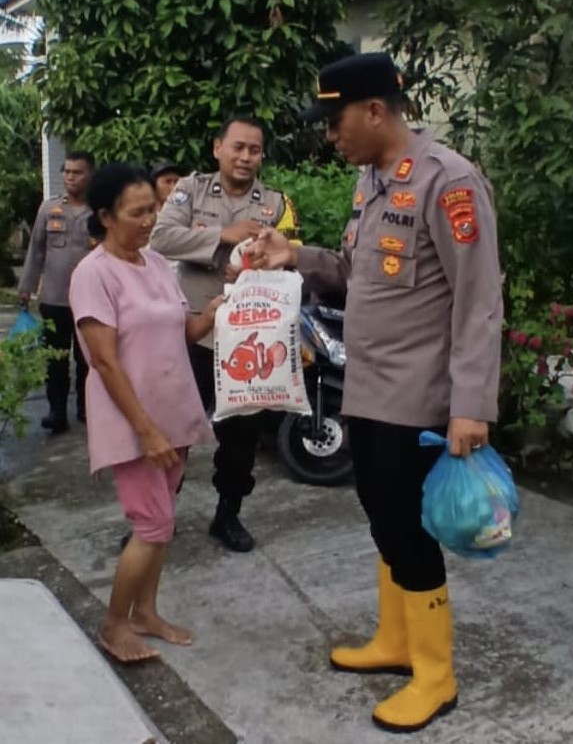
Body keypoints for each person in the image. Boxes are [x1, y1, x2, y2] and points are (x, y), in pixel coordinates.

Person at [248, 52, 503, 732]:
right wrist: (293, 257)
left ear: (374, 110)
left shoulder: (448, 182)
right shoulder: (373, 181)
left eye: (335, 121)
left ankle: (436, 676)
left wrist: (472, 404)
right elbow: (357, 273)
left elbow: (479, 300)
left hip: (417, 397)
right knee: (383, 519)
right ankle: (396, 643)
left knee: (409, 531)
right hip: (366, 386)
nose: (331, 135)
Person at [69, 163, 220, 663]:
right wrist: (146, 430)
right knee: (152, 523)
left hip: (173, 411)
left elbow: (182, 331)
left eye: (153, 209)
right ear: (106, 217)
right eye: (137, 213)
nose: (149, 220)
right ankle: (115, 625)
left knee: (164, 521)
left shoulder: (154, 263)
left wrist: (215, 313)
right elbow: (106, 362)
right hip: (134, 421)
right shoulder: (93, 274)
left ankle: (146, 612)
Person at [149, 116, 300, 552]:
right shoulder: (190, 190)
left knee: (240, 439)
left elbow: (291, 255)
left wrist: (258, 263)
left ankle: (228, 514)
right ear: (218, 148)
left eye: (254, 149)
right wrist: (223, 237)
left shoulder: (276, 203)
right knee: (173, 431)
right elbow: (160, 237)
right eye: (237, 147)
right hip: (195, 332)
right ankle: (156, 519)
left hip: (249, 339)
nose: (245, 157)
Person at [18, 151, 95, 433]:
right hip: (53, 298)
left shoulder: (100, 211)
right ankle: (56, 411)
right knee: (56, 359)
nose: (70, 178)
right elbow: (36, 250)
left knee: (88, 359)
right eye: (67, 172)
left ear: (90, 176)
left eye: (78, 172)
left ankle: (88, 409)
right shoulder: (49, 209)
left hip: (89, 301)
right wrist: (26, 286)